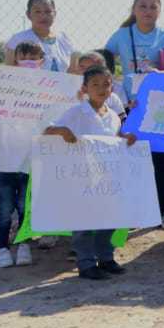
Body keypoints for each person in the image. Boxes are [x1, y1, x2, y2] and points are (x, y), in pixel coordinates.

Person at [43, 65, 137, 280]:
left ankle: (106, 258)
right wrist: (63, 131)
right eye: (95, 84)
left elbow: (114, 138)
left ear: (112, 87)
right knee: (84, 221)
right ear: (85, 88)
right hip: (83, 177)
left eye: (106, 84)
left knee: (109, 218)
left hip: (108, 177)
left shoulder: (113, 115)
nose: (101, 88)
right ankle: (85, 263)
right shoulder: (76, 112)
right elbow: (48, 130)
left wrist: (126, 138)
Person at [105, 0, 164, 227]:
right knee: (133, 158)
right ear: (134, 9)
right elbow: (103, 60)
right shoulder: (122, 35)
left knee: (161, 159)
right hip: (130, 106)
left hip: (159, 105)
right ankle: (136, 210)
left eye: (153, 7)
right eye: (143, 6)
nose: (148, 11)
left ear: (160, 10)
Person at [0, 41, 45, 268]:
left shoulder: (48, 89)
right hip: (6, 159)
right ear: (16, 60)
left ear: (42, 62)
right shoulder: (2, 86)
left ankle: (24, 245)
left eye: (34, 58)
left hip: (30, 160)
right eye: (24, 57)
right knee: (4, 208)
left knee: (25, 206)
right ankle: (2, 248)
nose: (29, 62)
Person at [4, 0, 77, 72]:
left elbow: (73, 71)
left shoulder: (64, 39)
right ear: (28, 15)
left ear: (55, 14)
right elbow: (9, 71)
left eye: (48, 11)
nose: (43, 16)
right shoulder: (17, 39)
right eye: (37, 11)